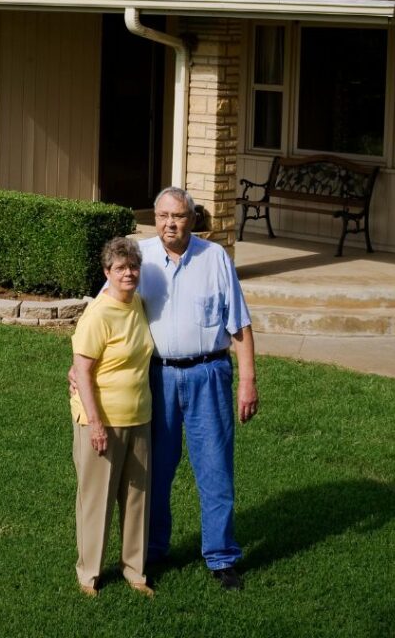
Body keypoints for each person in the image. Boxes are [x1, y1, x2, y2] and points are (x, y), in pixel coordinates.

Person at [141, 187, 258, 590]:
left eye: (178, 216)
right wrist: (80, 364)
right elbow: (104, 312)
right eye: (162, 216)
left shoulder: (215, 259)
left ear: (193, 219)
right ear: (154, 218)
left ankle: (222, 558)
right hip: (157, 378)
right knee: (155, 470)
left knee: (215, 469)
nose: (169, 224)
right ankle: (152, 551)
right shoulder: (140, 258)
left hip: (209, 374)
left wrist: (247, 381)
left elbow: (239, 325)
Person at [70, 236, 155, 598]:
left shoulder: (137, 304)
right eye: (120, 268)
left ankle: (135, 572)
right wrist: (96, 424)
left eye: (133, 266)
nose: (128, 273)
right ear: (107, 272)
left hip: (140, 417)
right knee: (97, 499)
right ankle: (88, 574)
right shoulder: (98, 314)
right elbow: (82, 371)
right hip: (101, 419)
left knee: (137, 499)